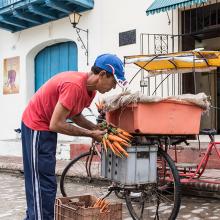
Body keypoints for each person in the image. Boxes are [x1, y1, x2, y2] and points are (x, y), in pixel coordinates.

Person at [21, 53, 127, 220]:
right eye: (114, 82)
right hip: (36, 127)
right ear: (102, 75)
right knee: (41, 183)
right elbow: (56, 124)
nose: (113, 87)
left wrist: (95, 127)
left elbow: (76, 115)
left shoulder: (89, 91)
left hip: (46, 129)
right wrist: (91, 133)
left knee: (46, 181)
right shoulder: (74, 86)